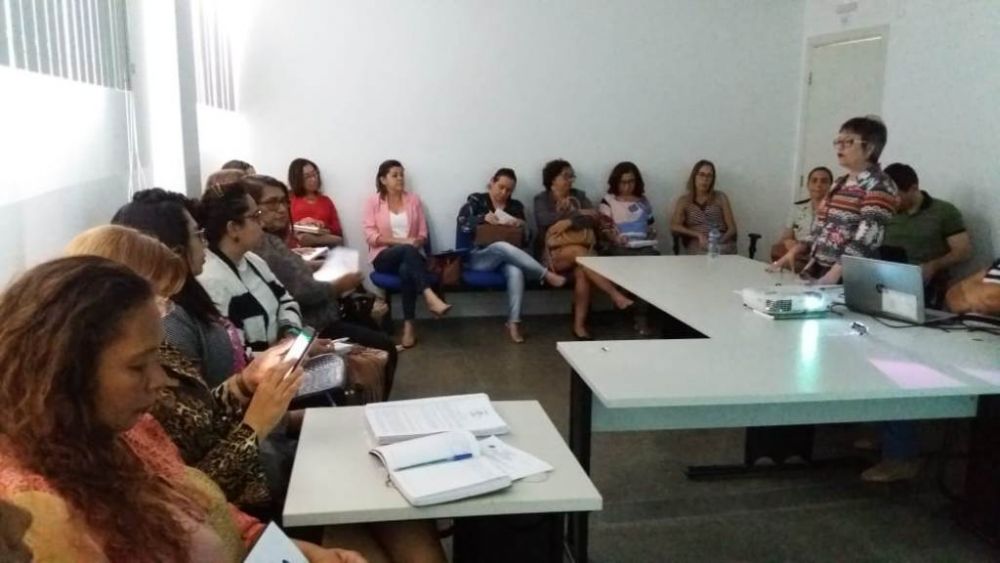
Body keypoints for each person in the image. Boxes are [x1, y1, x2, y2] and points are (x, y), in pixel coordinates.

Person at [0, 256, 366, 562]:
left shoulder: (131, 432)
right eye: (138, 367)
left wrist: (293, 551)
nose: (159, 379)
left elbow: (209, 513)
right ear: (64, 371)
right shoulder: (38, 512)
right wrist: (255, 423)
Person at [65, 225, 300, 516]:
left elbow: (199, 414)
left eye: (166, 298)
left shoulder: (157, 347)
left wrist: (242, 384)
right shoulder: (118, 397)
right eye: (158, 296)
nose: (165, 309)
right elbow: (191, 499)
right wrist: (256, 425)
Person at [244, 174, 399, 394]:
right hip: (312, 328)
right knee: (384, 346)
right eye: (271, 203)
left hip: (317, 320)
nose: (281, 209)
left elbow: (293, 269)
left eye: (283, 202)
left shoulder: (271, 240)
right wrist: (340, 284)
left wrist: (313, 266)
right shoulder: (262, 246)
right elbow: (301, 292)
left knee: (373, 327)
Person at [771, 116, 899, 285]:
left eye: (848, 142)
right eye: (838, 142)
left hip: (851, 279)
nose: (840, 147)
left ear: (869, 148)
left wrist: (834, 274)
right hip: (820, 271)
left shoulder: (880, 186)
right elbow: (819, 228)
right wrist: (793, 252)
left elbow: (866, 240)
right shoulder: (839, 183)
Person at [457, 168, 567, 343]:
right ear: (492, 182)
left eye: (509, 190)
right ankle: (545, 274)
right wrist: (482, 218)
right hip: (479, 257)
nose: (504, 193)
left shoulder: (515, 207)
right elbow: (462, 224)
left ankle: (514, 322)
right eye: (501, 187)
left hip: (506, 258)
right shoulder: (476, 201)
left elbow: (526, 240)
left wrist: (522, 225)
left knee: (516, 271)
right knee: (501, 246)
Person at [533, 159, 634, 340]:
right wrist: (575, 213)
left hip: (582, 254)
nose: (570, 180)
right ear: (552, 179)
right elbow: (544, 220)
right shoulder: (541, 199)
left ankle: (579, 327)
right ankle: (615, 295)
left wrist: (569, 222)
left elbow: (593, 218)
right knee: (580, 253)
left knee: (582, 271)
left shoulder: (579, 196)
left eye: (572, 176)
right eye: (566, 176)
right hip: (553, 256)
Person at [197, 180, 304, 352]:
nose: (262, 224)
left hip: (284, 356)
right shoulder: (211, 281)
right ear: (233, 228)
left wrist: (291, 335)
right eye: (255, 216)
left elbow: (286, 301)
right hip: (263, 366)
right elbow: (236, 355)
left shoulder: (252, 261)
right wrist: (284, 351)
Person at [363, 160, 452, 348]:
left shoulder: (413, 200)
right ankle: (430, 296)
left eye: (401, 175)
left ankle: (409, 328)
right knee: (407, 250)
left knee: (406, 269)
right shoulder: (373, 202)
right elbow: (371, 237)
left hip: (411, 257)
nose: (400, 178)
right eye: (394, 175)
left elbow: (423, 234)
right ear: (383, 180)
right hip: (384, 256)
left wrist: (416, 242)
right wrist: (404, 242)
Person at [883, 162, 972, 304]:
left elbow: (963, 251)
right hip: (884, 278)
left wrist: (933, 266)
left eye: (895, 196)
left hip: (924, 283)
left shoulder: (944, 212)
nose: (891, 201)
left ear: (913, 189)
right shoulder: (885, 211)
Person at [670, 160, 738, 255]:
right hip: (698, 242)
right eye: (701, 175)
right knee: (701, 254)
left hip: (721, 241)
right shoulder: (684, 201)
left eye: (709, 176)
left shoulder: (720, 197)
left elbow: (732, 228)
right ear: (694, 177)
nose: (705, 179)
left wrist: (719, 241)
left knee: (721, 252)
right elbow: (674, 226)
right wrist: (698, 235)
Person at [770, 166, 834, 262]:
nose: (818, 185)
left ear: (831, 186)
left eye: (824, 181)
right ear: (808, 185)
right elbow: (786, 237)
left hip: (821, 261)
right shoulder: (797, 208)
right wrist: (788, 242)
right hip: (797, 257)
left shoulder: (837, 212)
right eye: (814, 181)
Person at [597, 161, 658, 256]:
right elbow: (605, 228)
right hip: (619, 247)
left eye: (631, 181)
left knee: (653, 256)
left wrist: (651, 236)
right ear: (616, 182)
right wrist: (616, 239)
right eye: (623, 182)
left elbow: (650, 225)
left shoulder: (643, 201)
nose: (627, 186)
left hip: (643, 246)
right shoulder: (608, 200)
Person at [288, 158, 344, 248]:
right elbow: (283, 228)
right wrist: (301, 223)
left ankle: (313, 240)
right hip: (299, 246)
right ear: (297, 179)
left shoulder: (326, 201)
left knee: (337, 240)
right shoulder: (290, 200)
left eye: (315, 174)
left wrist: (321, 224)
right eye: (307, 177)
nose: (313, 179)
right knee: (302, 237)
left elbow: (337, 230)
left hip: (326, 241)